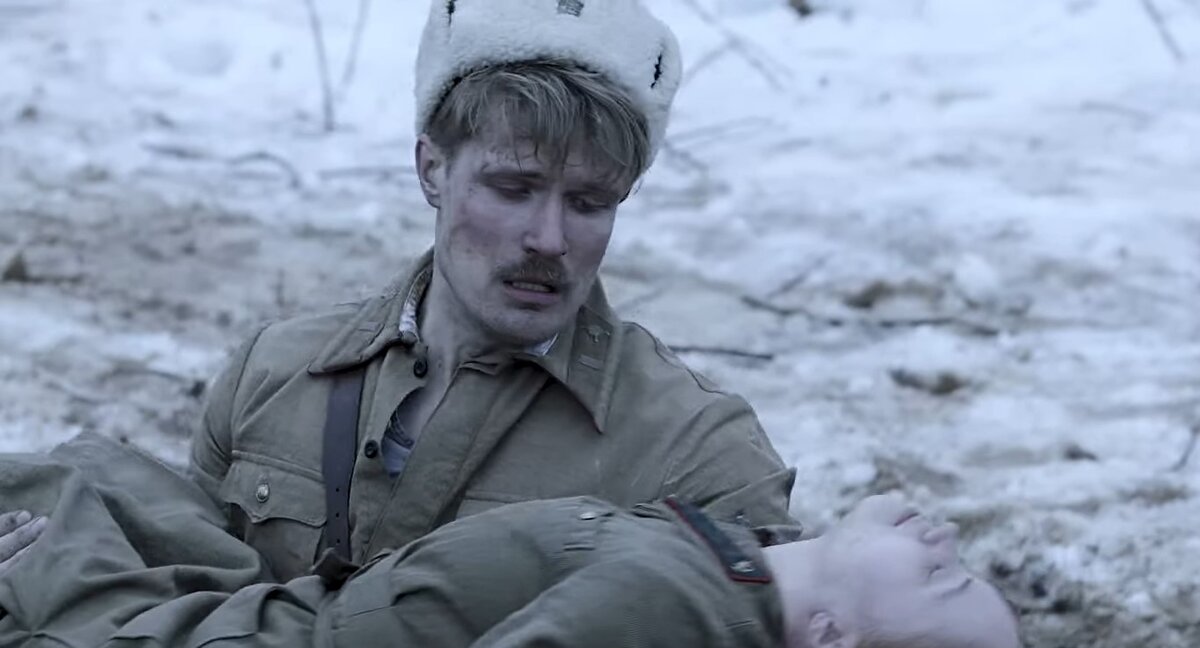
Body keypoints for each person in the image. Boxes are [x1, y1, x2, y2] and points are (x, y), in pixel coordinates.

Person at [0, 0, 801, 578]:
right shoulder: (272, 377)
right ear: (431, 169)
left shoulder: (697, 454)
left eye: (591, 203)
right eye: (514, 188)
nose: (551, 239)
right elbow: (184, 613)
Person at [0, 433, 1048, 648]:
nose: (946, 540)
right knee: (94, 462)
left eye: (944, 580)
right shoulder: (737, 566)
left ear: (830, 640)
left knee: (39, 500)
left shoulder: (678, 612)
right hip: (274, 609)